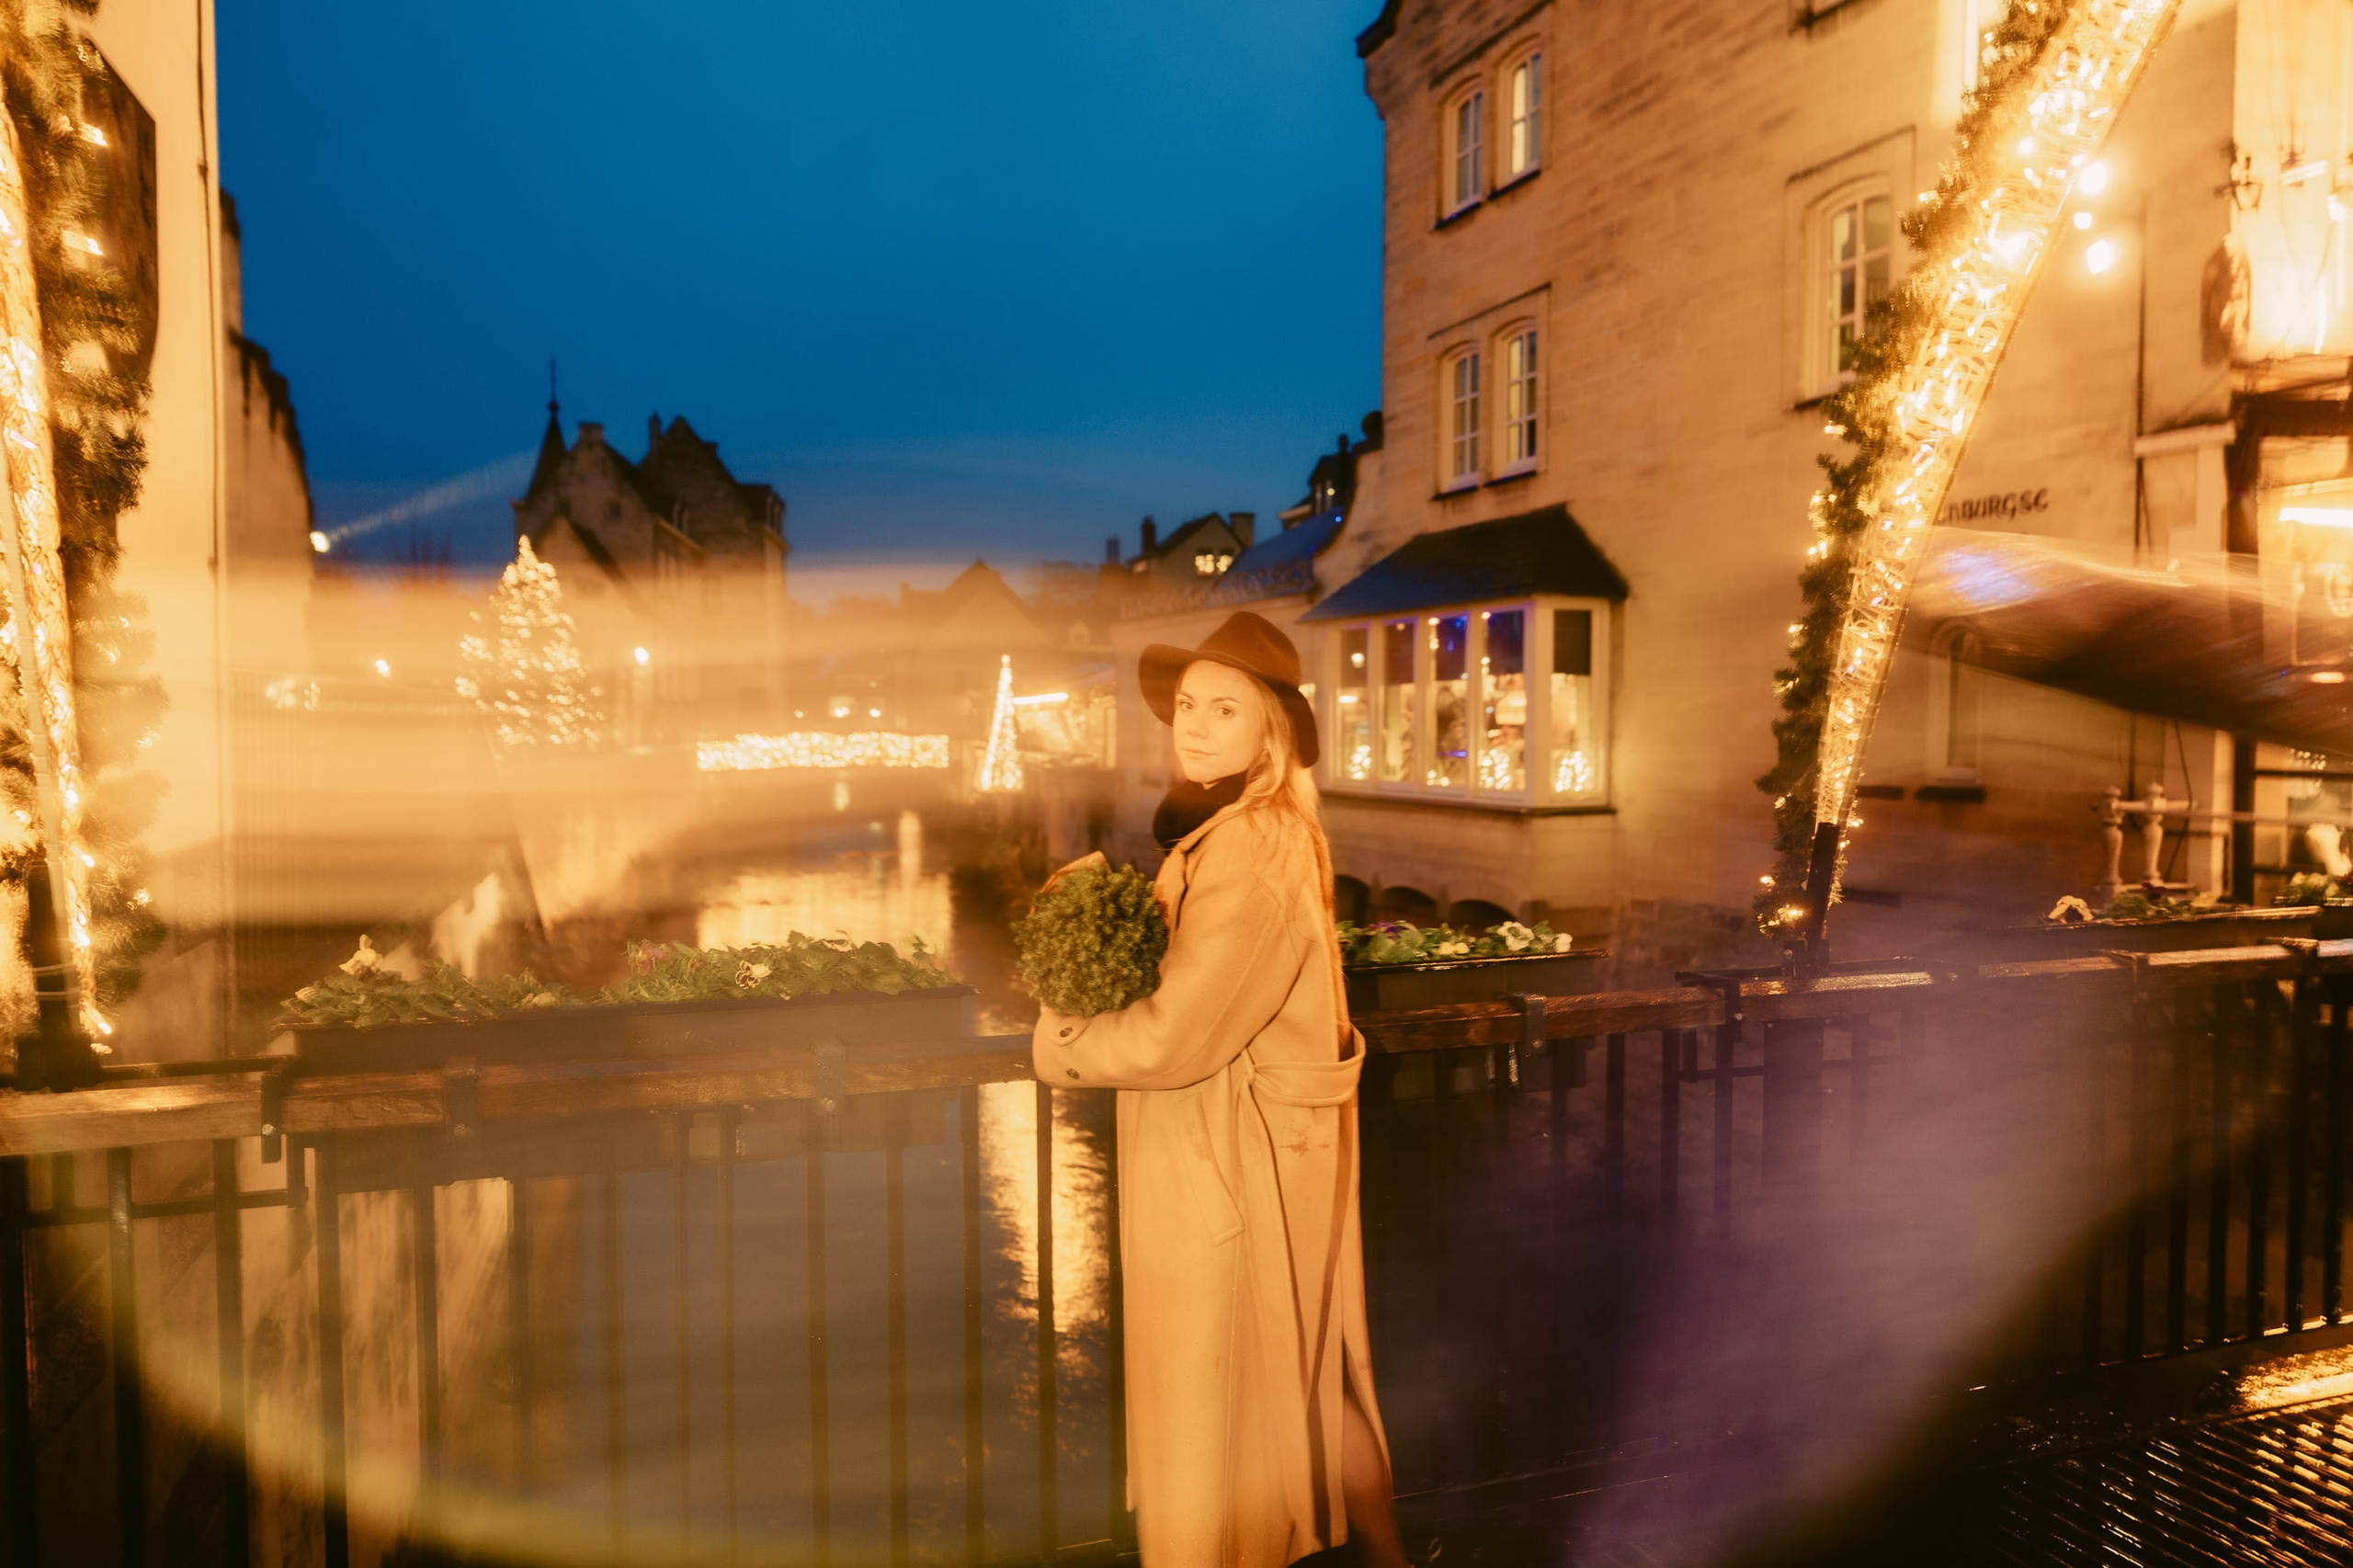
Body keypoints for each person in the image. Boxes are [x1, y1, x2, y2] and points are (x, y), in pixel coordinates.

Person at [1032, 611, 1407, 1568]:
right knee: (1300, 1376)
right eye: (1188, 706)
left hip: (1226, 1162)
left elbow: (1176, 1034)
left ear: (1269, 728)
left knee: (1213, 1406)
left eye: (1223, 709)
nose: (1193, 726)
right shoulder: (1234, 829)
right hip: (1243, 1151)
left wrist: (1062, 1037)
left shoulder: (1250, 845)